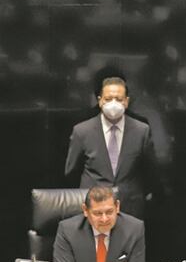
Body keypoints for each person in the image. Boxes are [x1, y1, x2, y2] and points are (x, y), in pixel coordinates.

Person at [63, 76, 156, 218]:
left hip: (130, 209)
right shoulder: (81, 131)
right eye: (108, 99)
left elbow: (150, 172)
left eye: (119, 99)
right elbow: (71, 173)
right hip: (94, 208)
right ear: (100, 101)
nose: (113, 103)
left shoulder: (141, 130)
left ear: (126, 102)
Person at [53, 186, 145, 262]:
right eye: (97, 213)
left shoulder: (134, 228)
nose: (104, 219)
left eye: (109, 212)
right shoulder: (68, 230)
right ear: (85, 210)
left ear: (117, 207)